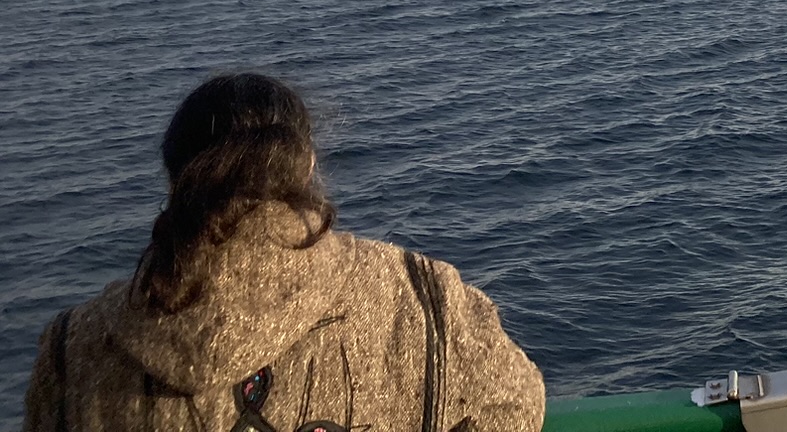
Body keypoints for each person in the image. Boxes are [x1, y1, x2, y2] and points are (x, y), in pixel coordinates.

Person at [23, 74, 545, 432]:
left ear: (176, 178)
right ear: (306, 164)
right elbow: (515, 407)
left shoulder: (73, 347)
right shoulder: (423, 297)